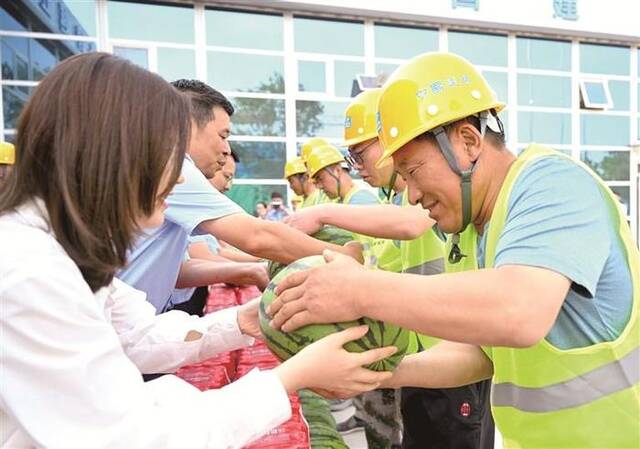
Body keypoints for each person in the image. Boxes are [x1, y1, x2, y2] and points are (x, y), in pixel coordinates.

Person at [0, 52, 395, 449]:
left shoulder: (59, 251)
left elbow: (137, 335)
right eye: (170, 152)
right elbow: (131, 438)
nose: (179, 175)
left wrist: (255, 318)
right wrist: (288, 377)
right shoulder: (30, 272)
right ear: (118, 152)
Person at [269, 52, 639, 449]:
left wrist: (358, 290)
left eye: (413, 171)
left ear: (467, 142)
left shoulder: (553, 183)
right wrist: (372, 372)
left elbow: (520, 310)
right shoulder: (469, 232)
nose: (410, 194)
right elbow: (478, 355)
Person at [287, 88, 493, 449]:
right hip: (423, 353)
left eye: (361, 152)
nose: (359, 165)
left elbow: (412, 223)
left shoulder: (423, 201)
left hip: (451, 361)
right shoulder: (399, 196)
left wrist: (323, 216)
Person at [117, 79, 361, 314]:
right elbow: (257, 236)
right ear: (188, 126)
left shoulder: (156, 164)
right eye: (223, 136)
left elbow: (177, 272)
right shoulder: (174, 167)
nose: (226, 149)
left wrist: (251, 270)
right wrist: (345, 257)